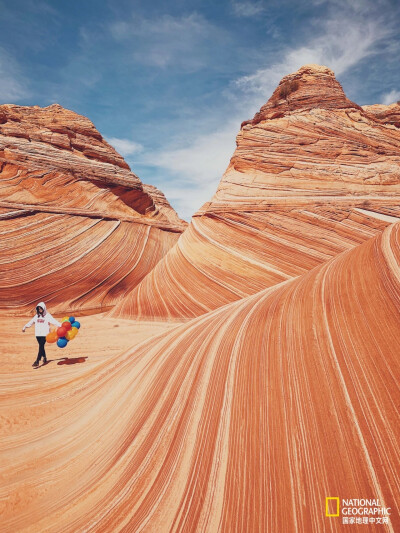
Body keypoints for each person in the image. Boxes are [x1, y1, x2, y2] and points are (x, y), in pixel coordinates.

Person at [22, 302, 61, 367]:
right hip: (37, 334)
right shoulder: (36, 316)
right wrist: (25, 327)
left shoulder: (47, 315)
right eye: (38, 309)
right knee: (41, 346)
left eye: (41, 308)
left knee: (41, 346)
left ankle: (37, 361)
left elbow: (54, 321)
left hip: (45, 334)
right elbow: (31, 322)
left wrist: (61, 325)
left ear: (44, 308)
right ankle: (45, 357)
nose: (40, 310)